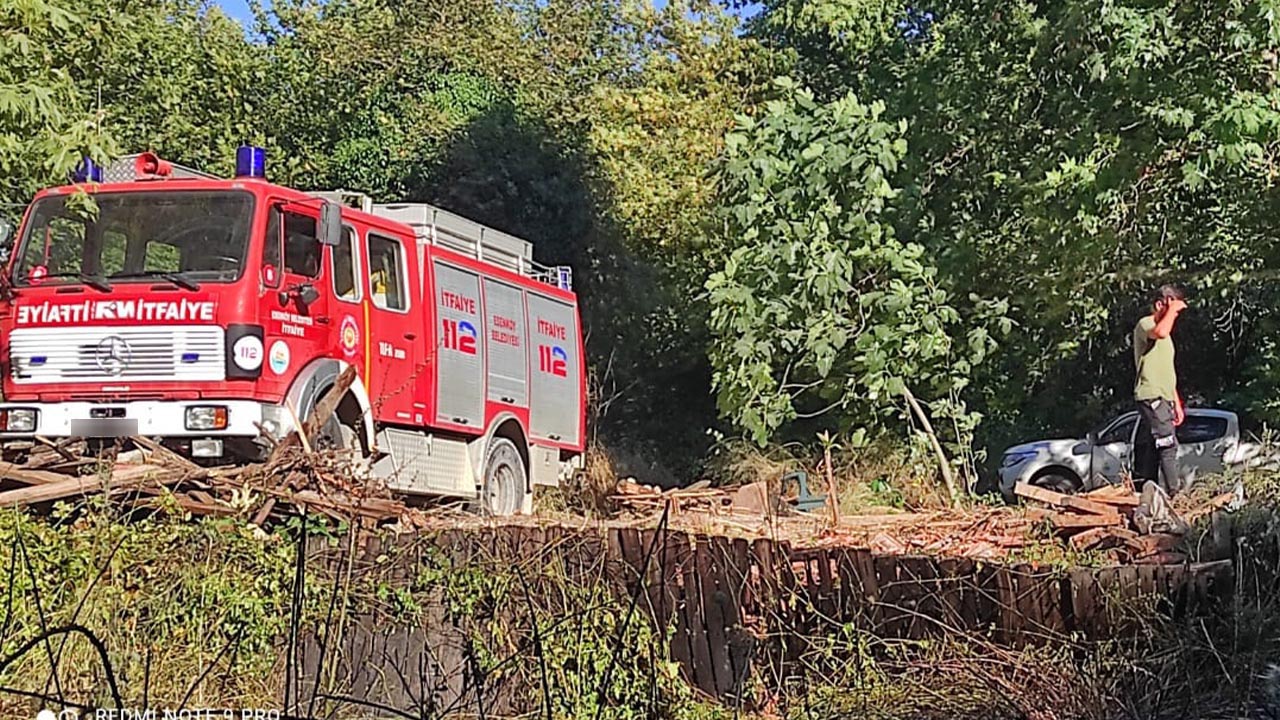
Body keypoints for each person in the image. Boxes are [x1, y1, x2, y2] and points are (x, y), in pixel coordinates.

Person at [1133, 284, 1188, 495]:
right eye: (1171, 308)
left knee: (1154, 448)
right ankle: (1176, 493)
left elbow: (1167, 371)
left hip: (1164, 396)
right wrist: (1171, 309)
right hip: (1150, 394)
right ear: (1159, 304)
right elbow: (1161, 331)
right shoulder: (1146, 324)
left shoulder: (1167, 337)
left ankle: (1147, 491)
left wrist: (1177, 403)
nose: (1176, 317)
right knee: (1167, 444)